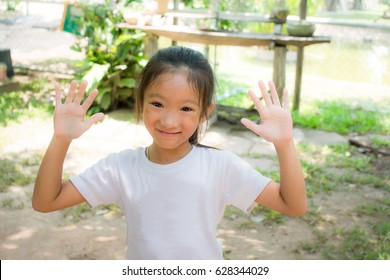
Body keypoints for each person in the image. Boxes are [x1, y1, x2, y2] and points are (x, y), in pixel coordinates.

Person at [32, 46, 306, 260]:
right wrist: (61, 139)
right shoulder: (120, 168)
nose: (170, 121)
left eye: (186, 108)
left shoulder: (221, 166)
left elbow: (293, 205)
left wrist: (284, 144)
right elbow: (46, 201)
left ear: (205, 112)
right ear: (140, 100)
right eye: (158, 103)